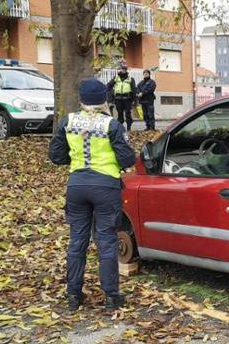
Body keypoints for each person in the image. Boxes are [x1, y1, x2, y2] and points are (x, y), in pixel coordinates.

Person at [48, 79, 135, 312]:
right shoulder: (112, 125)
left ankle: (73, 296)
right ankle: (111, 297)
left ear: (81, 99)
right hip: (105, 186)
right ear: (104, 100)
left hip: (77, 186)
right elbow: (127, 159)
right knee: (106, 241)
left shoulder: (68, 122)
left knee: (77, 241)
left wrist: (77, 162)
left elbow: (55, 155)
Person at [107, 60, 136, 131]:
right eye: (122, 69)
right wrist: (111, 97)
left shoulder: (131, 79)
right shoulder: (116, 78)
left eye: (125, 69)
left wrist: (134, 100)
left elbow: (134, 90)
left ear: (126, 70)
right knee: (120, 114)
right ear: (120, 69)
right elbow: (108, 86)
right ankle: (120, 128)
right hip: (118, 99)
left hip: (127, 99)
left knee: (128, 114)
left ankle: (129, 127)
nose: (123, 70)